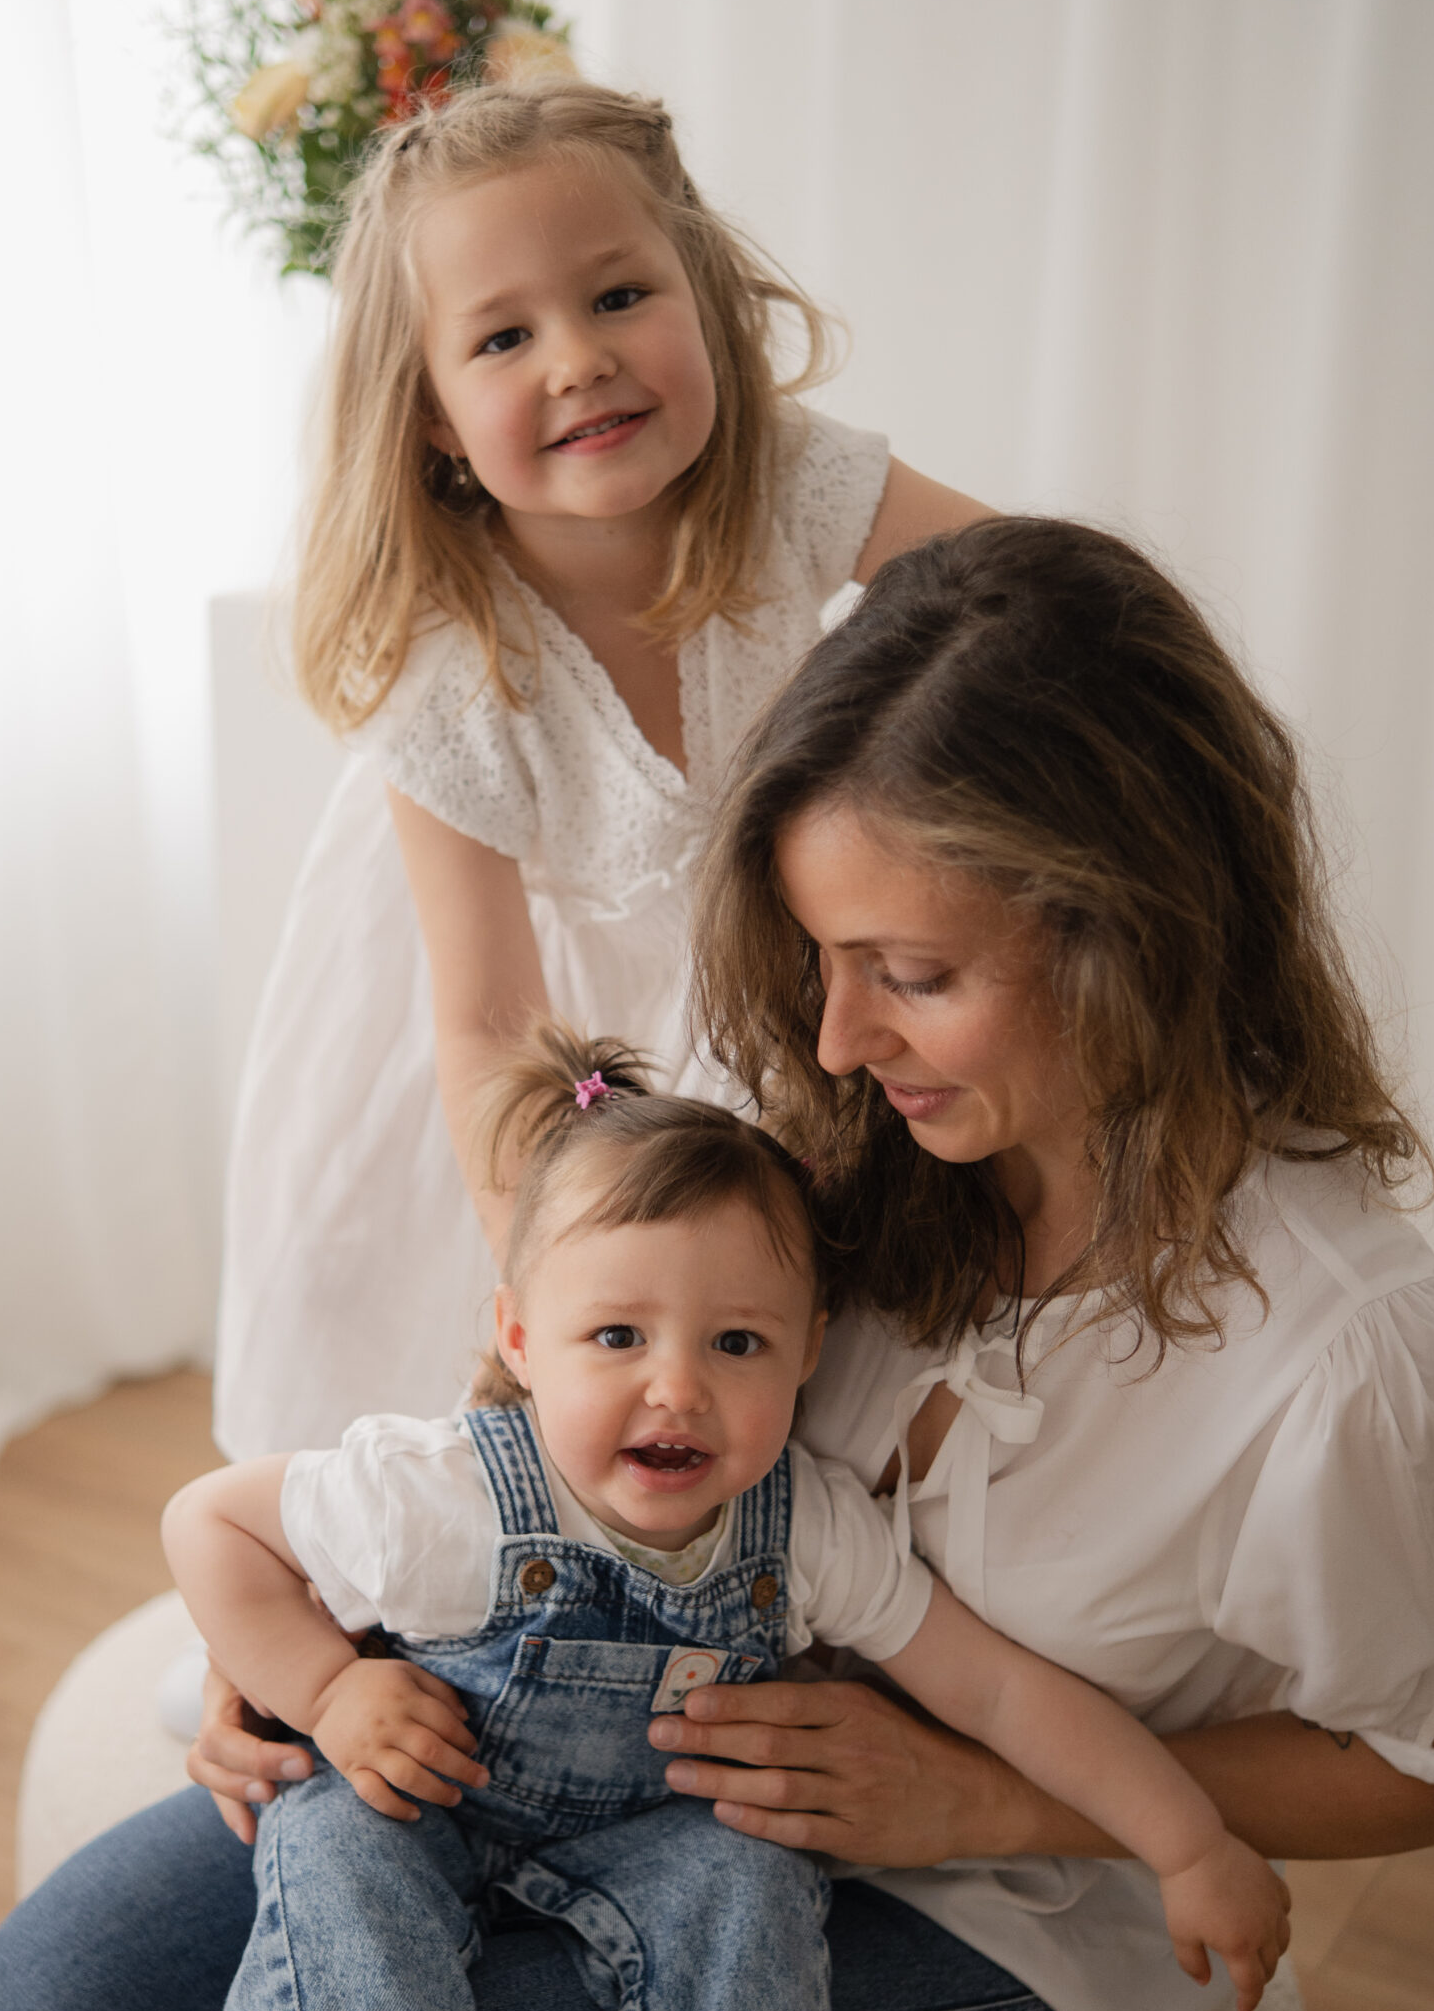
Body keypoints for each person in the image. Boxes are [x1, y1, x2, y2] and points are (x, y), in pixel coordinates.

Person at [0, 514, 1434, 2011]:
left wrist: (974, 1789)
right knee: (61, 2010)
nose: (831, 1035)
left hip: (1002, 1907)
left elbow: (1415, 1764)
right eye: (825, 959)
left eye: (908, 969)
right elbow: (580, 1370)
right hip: (617, 1747)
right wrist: (331, 1643)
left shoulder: (1344, 1354)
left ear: (1133, 928)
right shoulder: (872, 1119)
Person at [162, 1026, 1286, 2011]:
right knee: (333, 1847)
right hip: (430, 1793)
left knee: (753, 1875)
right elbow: (210, 1520)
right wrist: (321, 1691)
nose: (676, 1389)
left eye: (736, 1343)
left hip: (650, 1837)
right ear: (522, 1337)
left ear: (811, 1351)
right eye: (616, 1338)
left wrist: (1185, 1838)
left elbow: (1001, 1693)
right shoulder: (443, 1494)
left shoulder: (804, 1527)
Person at [211, 75, 983, 1462]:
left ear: (702, 299)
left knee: (791, 1324)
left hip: (763, 981)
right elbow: (491, 1022)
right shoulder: (450, 666)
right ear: (437, 417)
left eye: (620, 297)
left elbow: (1016, 586)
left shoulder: (788, 485)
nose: (577, 358)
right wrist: (557, 1264)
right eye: (505, 336)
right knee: (470, 1346)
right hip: (539, 1051)